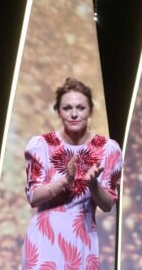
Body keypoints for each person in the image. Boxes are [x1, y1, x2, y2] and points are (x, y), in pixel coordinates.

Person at [22, 78, 123, 269]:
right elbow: (33, 198)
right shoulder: (41, 146)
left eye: (80, 108)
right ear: (58, 112)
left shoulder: (109, 149)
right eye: (67, 108)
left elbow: (107, 204)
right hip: (45, 239)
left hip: (82, 237)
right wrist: (64, 180)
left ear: (90, 110)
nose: (74, 114)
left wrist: (93, 185)